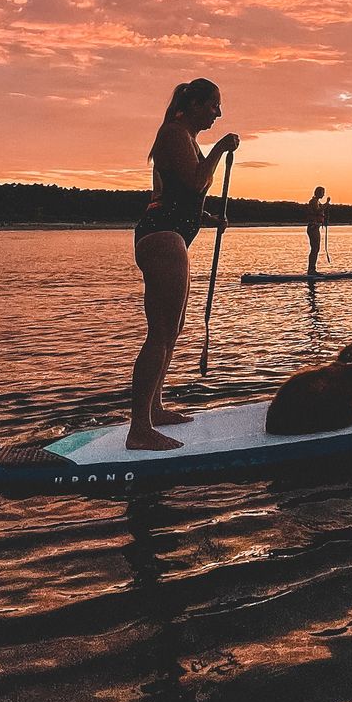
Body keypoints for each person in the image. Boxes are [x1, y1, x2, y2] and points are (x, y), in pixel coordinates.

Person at [129, 78, 239, 451]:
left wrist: (207, 217)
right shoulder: (174, 133)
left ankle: (154, 409)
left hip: (169, 234)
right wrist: (221, 149)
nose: (218, 113)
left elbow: (176, 196)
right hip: (162, 239)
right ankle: (139, 429)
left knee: (172, 329)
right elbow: (194, 182)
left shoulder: (185, 139)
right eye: (213, 105)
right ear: (193, 103)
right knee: (160, 332)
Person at [306, 186, 329, 274]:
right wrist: (326, 204)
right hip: (313, 228)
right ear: (318, 193)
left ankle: (312, 269)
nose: (323, 194)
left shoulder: (317, 201)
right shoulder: (313, 201)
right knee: (315, 248)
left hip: (316, 227)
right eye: (323, 192)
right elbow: (317, 211)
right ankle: (311, 270)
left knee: (316, 248)